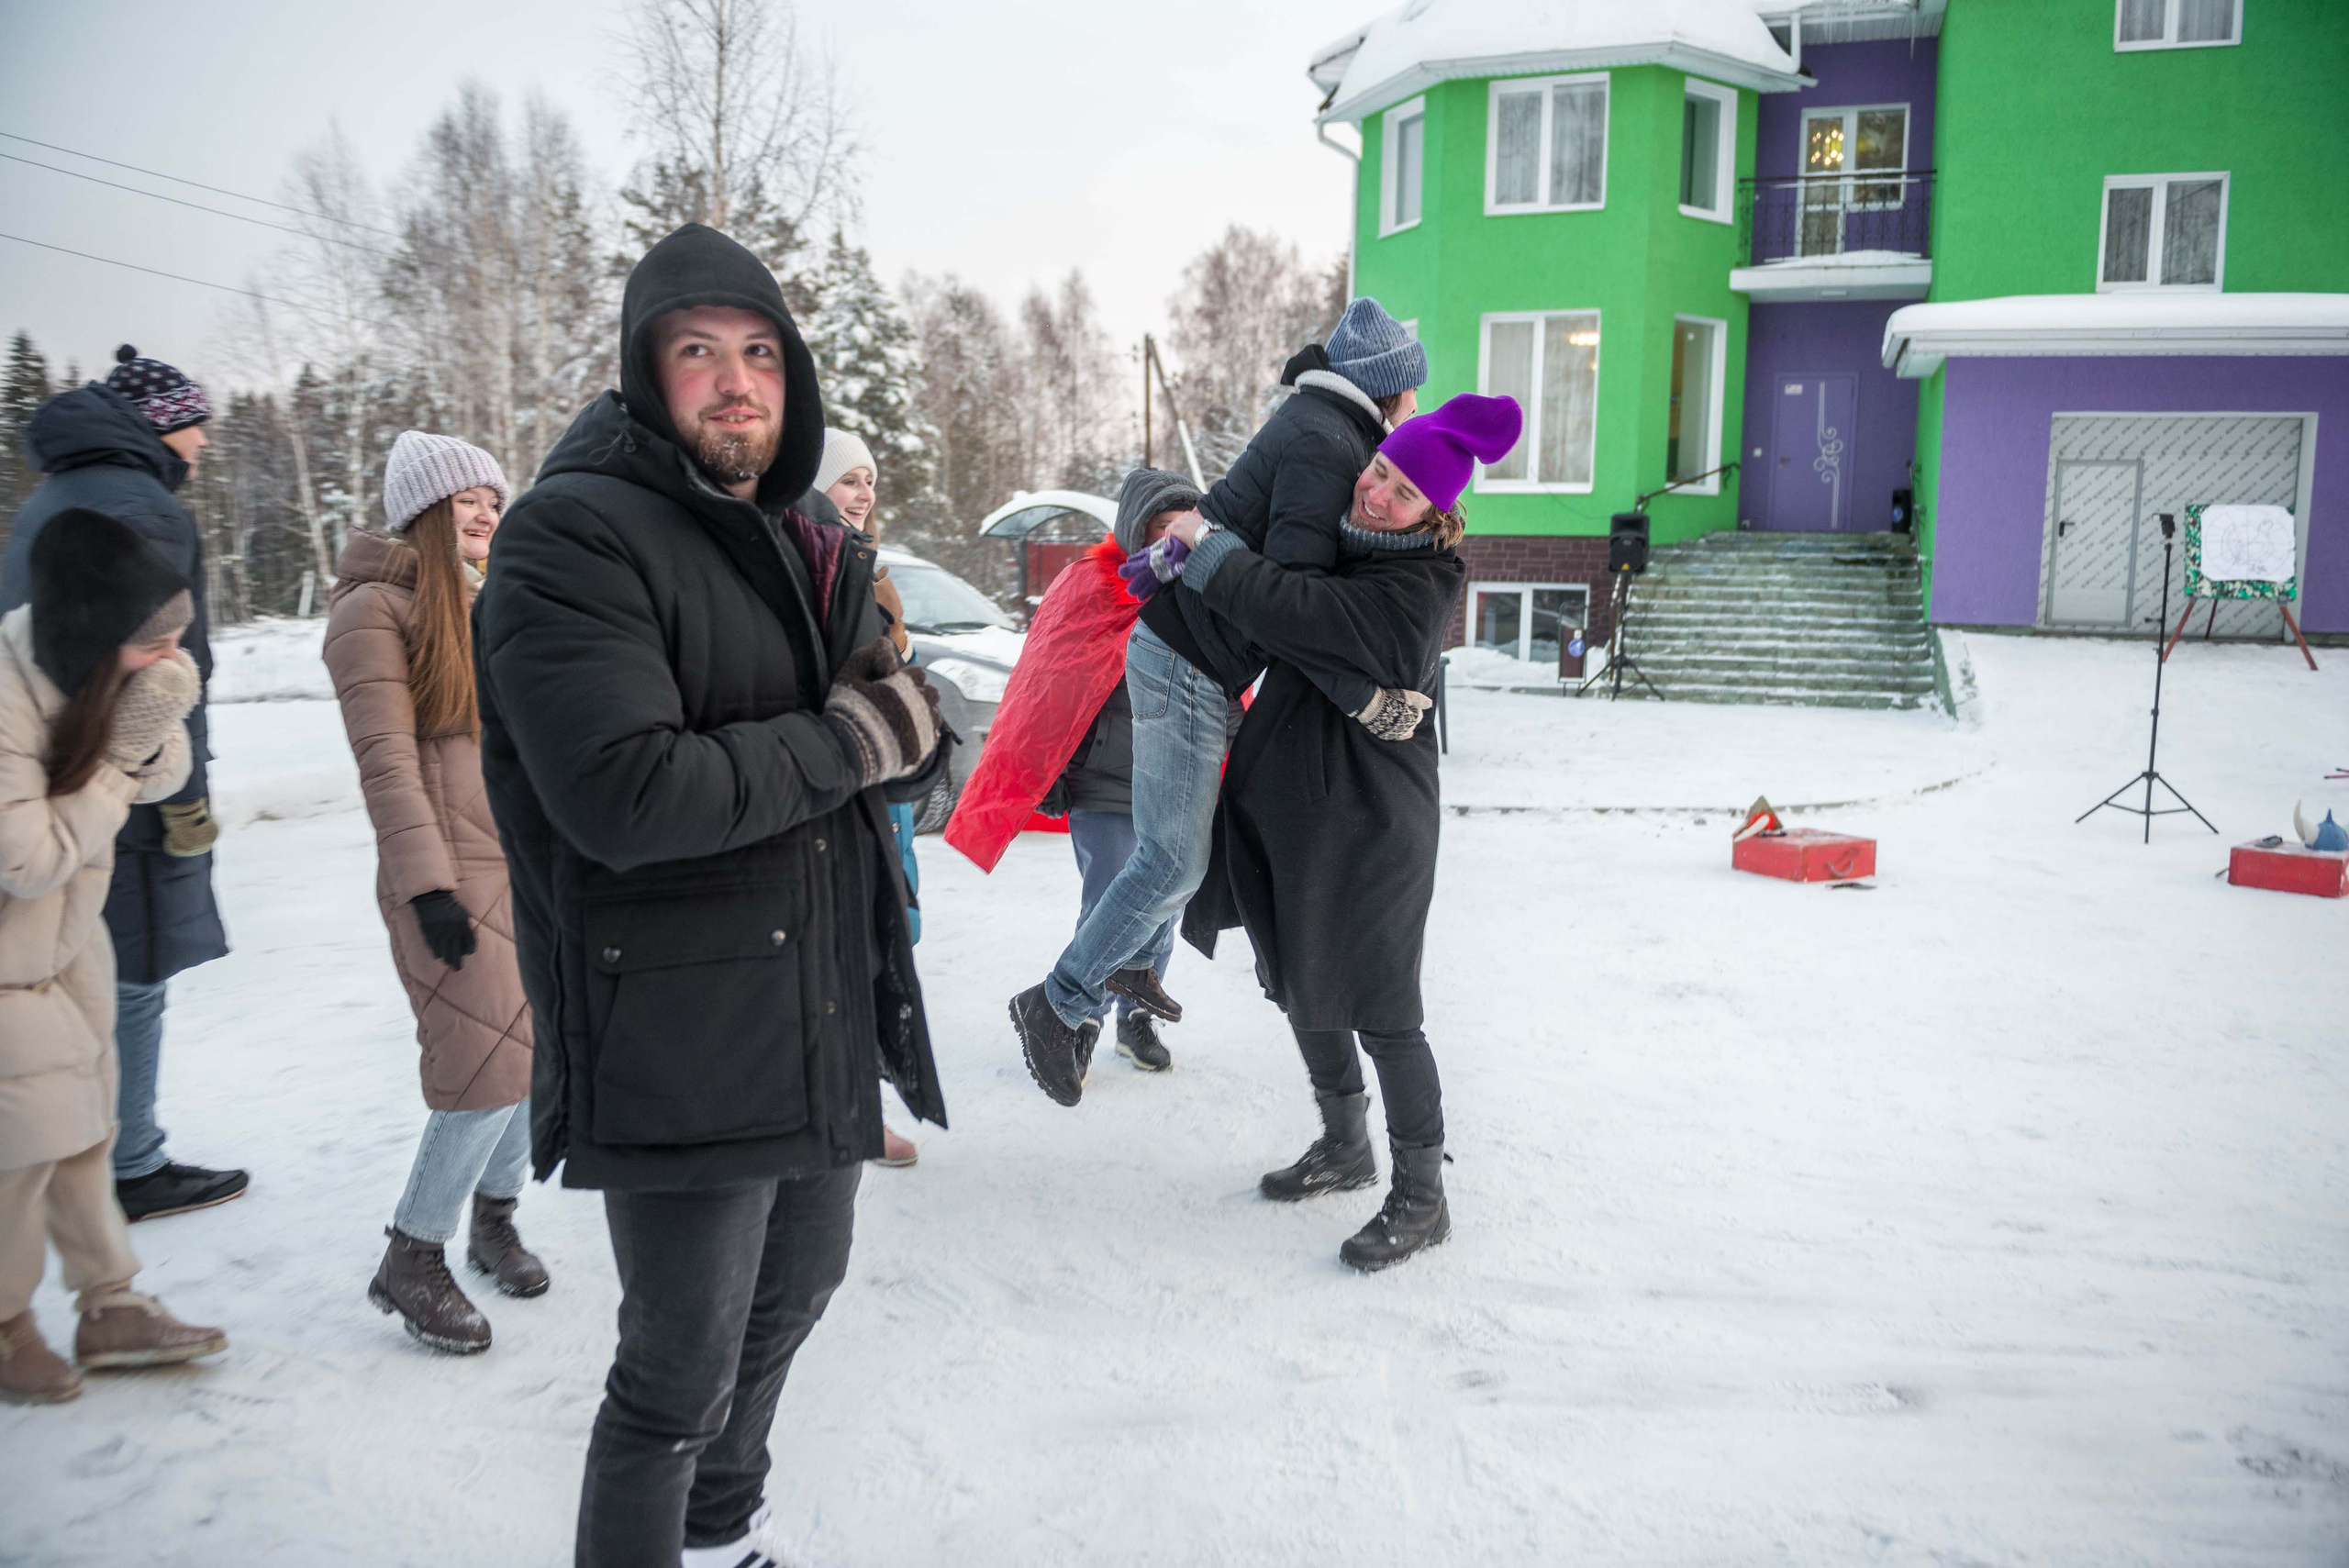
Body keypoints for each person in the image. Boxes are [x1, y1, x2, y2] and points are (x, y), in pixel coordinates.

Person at [473, 222, 949, 1568]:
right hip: (676, 1021)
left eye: (758, 353)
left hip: (815, 997)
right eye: (698, 353)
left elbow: (917, 730)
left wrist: (911, 731)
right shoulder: (572, 536)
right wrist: (865, 740)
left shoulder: (808, 539)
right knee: (675, 1375)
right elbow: (628, 795)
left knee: (795, 1296)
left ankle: (725, 1533)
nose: (735, 381)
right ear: (645, 371)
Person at [1008, 297, 1433, 1104]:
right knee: (1173, 858)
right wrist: (1362, 690)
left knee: (1181, 854)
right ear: (1383, 388)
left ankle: (1128, 958)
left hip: (1194, 659)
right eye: (1410, 392)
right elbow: (1290, 603)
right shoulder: (1324, 442)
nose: (1413, 408)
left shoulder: (1322, 429)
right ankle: (1057, 1004)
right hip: (1189, 661)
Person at [1170, 394, 1522, 1272]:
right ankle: (1344, 1143)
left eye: (1401, 491)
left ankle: (1422, 1195)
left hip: (1374, 822)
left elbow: (1294, 613)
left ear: (1433, 515)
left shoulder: (1417, 587)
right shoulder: (1339, 541)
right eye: (1378, 470)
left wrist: (1213, 556)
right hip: (1293, 808)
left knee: (1384, 1007)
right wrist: (1352, 689)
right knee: (1300, 977)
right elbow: (1299, 619)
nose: (1374, 492)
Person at [0, 347, 240, 1223]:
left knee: (55, 959)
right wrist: (183, 796)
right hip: (120, 767)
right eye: (194, 421)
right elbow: (173, 662)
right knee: (132, 967)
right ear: (159, 425)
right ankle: (127, 1160)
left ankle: (74, 1154)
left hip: (38, 755)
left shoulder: (50, 497)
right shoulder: (143, 506)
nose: (204, 441)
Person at [0, 508, 229, 1405]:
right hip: (12, 944)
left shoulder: (104, 671)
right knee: (26, 1147)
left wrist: (151, 722)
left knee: (88, 1123)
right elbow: (28, 858)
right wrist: (124, 751)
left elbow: (163, 776)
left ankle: (109, 1303)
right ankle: (7, 1323)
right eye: (153, 644)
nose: (169, 657)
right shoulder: (9, 690)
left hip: (67, 938)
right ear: (96, 637)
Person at [323, 431, 544, 1357]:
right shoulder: (373, 609)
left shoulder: (482, 603)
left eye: (494, 498)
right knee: (479, 1067)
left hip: (520, 864)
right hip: (445, 876)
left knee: (534, 1056)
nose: (487, 514)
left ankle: (495, 1218)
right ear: (421, 509)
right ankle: (414, 1251)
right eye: (465, 500)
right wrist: (426, 887)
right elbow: (386, 762)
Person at [811, 428, 920, 1169]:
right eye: (848, 479)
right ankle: (852, 1112)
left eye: (870, 480)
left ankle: (855, 1101)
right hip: (845, 775)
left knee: (894, 932)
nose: (864, 493)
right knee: (852, 949)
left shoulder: (868, 566)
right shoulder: (815, 562)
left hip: (889, 779)